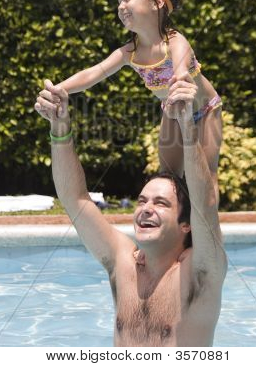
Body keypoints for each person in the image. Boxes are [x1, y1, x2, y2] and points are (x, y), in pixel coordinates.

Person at [34, 75, 227, 347]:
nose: (146, 209)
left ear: (187, 224)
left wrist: (187, 128)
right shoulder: (122, 261)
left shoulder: (200, 272)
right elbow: (75, 199)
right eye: (141, 201)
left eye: (160, 203)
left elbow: (204, 205)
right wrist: (59, 127)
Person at [47, 0, 222, 196]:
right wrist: (59, 88)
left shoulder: (175, 42)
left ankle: (207, 230)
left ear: (157, 2)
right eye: (119, 0)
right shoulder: (129, 53)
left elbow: (181, 68)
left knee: (207, 179)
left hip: (206, 111)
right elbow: (93, 73)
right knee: (168, 179)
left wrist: (180, 76)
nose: (121, 6)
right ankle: (177, 228)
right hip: (172, 111)